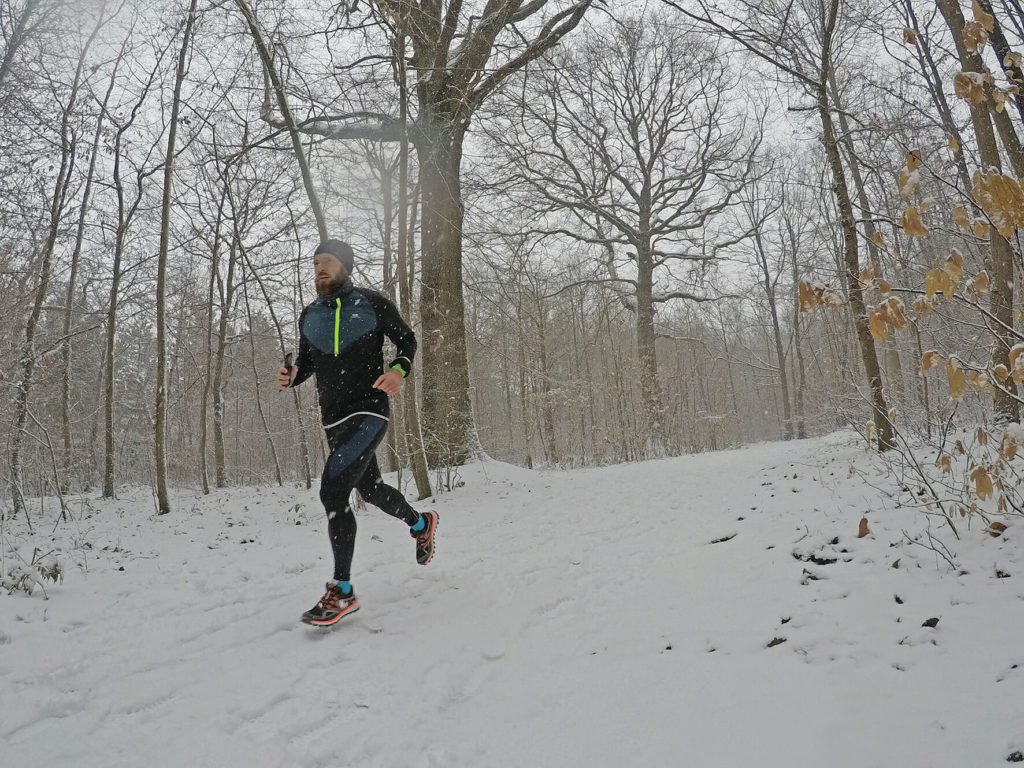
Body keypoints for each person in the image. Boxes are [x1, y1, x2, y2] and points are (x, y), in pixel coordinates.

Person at [278, 238, 437, 627]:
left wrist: (398, 371)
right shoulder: (309, 315)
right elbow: (307, 361)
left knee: (333, 491)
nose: (319, 267)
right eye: (315, 262)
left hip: (370, 410)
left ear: (345, 266)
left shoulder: (371, 303)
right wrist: (294, 375)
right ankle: (421, 524)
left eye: (328, 261)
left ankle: (341, 590)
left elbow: (408, 341)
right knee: (371, 490)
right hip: (332, 420)